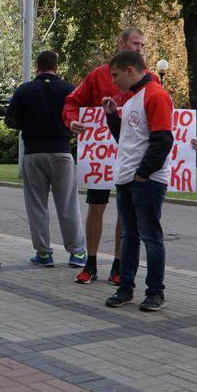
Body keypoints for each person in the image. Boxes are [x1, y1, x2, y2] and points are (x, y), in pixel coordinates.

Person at [63, 27, 157, 285]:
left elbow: (163, 118)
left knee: (125, 211)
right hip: (100, 154)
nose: (139, 48)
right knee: (96, 206)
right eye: (135, 43)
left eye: (142, 45)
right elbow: (72, 102)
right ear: (121, 43)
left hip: (131, 155)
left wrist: (188, 142)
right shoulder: (98, 76)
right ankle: (90, 263)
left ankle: (119, 265)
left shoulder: (150, 79)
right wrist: (72, 122)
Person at [99, 51, 174, 311]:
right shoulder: (131, 100)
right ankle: (125, 289)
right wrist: (112, 117)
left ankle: (155, 292)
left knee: (150, 236)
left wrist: (143, 173)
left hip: (146, 180)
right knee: (129, 235)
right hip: (127, 178)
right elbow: (128, 140)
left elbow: (163, 140)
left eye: (116, 75)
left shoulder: (156, 95)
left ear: (130, 70)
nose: (114, 81)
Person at [5, 50, 87, 268]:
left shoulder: (25, 90)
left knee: (37, 205)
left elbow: (10, 120)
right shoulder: (68, 89)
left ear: (37, 67)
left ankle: (43, 254)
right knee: (68, 204)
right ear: (56, 67)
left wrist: (29, 123)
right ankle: (77, 253)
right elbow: (81, 115)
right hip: (61, 152)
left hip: (33, 153)